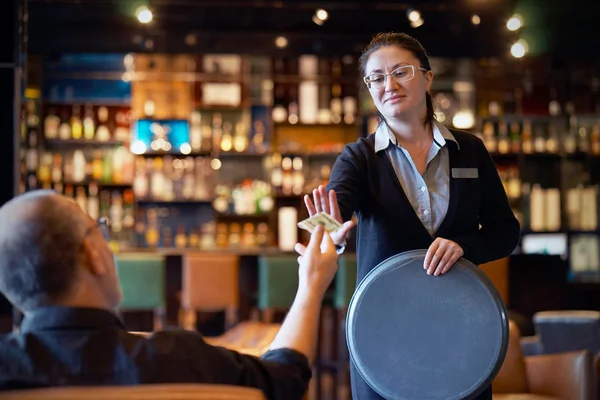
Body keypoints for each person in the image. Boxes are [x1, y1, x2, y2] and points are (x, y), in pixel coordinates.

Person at [299, 32, 521, 399]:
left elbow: (505, 231)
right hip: (382, 332)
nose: (389, 85)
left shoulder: (470, 151)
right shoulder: (359, 157)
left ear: (427, 77)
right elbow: (333, 212)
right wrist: (330, 234)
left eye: (401, 72)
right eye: (377, 78)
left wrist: (464, 246)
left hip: (460, 327)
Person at [0, 190, 339, 400]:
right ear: (92, 254)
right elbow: (286, 379)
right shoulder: (181, 359)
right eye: (98, 229)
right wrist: (311, 286)